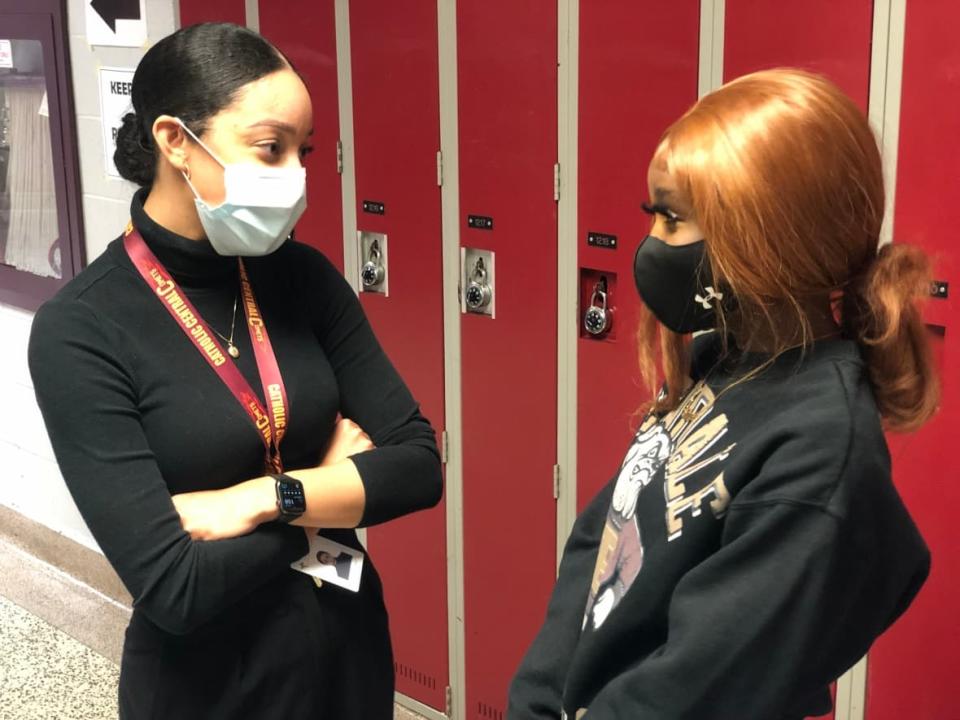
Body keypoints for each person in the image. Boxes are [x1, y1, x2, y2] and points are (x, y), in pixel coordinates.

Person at [28, 23, 442, 720]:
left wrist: (258, 499)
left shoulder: (301, 278)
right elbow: (174, 586)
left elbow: (418, 467)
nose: (295, 176)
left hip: (346, 651)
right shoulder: (82, 328)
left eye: (302, 153)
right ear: (174, 141)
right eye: (269, 149)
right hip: (209, 688)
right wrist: (325, 498)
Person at [507, 68, 937, 720]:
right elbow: (601, 540)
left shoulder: (820, 452)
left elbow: (696, 688)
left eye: (674, 220)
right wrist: (536, 701)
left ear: (772, 239)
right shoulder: (725, 361)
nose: (652, 246)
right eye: (653, 216)